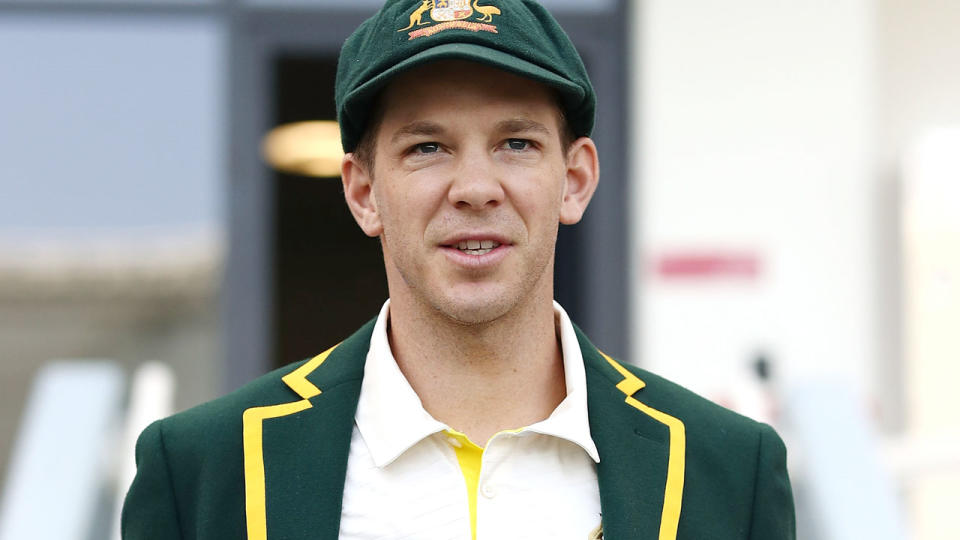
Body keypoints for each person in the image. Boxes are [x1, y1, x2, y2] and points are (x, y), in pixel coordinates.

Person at [121, 1, 796, 539]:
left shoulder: (728, 471)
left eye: (516, 143)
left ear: (575, 179)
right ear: (363, 192)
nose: (475, 187)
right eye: (427, 147)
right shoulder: (204, 472)